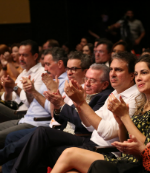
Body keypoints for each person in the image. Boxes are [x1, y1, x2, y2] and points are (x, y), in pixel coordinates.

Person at [8, 52, 142, 173]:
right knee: (40, 145)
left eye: (118, 70)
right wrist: (79, 103)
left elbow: (106, 132)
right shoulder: (114, 92)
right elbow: (88, 124)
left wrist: (80, 103)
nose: (112, 73)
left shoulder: (133, 98)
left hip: (103, 151)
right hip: (88, 142)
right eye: (111, 69)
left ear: (132, 75)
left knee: (40, 141)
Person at [0, 63, 112, 173]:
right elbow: (60, 118)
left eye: (92, 81)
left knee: (41, 133)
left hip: (80, 137)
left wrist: (63, 104)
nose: (87, 83)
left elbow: (84, 124)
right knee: (16, 138)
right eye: (87, 79)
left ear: (105, 84)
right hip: (60, 131)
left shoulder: (103, 97)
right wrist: (56, 104)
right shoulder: (80, 89)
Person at [50, 54, 150, 173]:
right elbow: (122, 141)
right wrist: (120, 123)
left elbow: (148, 147)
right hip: (124, 159)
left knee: (68, 152)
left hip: (137, 165)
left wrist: (124, 117)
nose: (138, 78)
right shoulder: (142, 103)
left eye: (144, 73)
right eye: (137, 74)